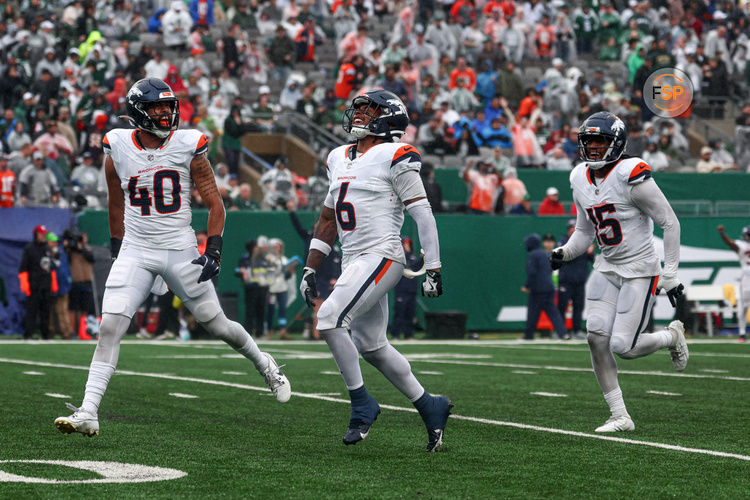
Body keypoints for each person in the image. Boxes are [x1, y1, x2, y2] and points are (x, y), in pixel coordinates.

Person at [54, 78, 291, 437]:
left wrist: (213, 247)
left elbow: (215, 202)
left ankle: (266, 364)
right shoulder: (117, 145)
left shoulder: (187, 145)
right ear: (137, 112)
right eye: (157, 107)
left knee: (216, 324)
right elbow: (115, 199)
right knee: (110, 327)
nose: (166, 113)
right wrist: (118, 242)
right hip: (137, 247)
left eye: (168, 106)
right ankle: (89, 410)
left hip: (180, 248)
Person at [299, 90, 452, 452]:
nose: (359, 117)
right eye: (359, 110)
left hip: (383, 253)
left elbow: (421, 213)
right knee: (372, 345)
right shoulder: (337, 156)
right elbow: (327, 218)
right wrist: (310, 267)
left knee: (330, 318)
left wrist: (434, 267)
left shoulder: (395, 153)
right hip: (354, 258)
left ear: (388, 119)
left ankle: (361, 404)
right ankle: (430, 405)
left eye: (368, 112)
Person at [550, 111, 688, 433]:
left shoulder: (632, 173)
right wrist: (564, 252)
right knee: (596, 336)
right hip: (607, 265)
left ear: (616, 142)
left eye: (600, 141)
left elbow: (670, 222)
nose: (594, 147)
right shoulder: (579, 177)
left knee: (623, 347)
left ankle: (672, 335)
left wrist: (670, 274)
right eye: (589, 141)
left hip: (640, 268)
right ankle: (620, 415)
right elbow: (585, 231)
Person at [522, 233, 569, 340]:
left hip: (538, 289)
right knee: (553, 313)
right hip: (549, 287)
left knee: (533, 313)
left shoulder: (534, 255)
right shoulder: (544, 254)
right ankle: (563, 333)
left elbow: (532, 272)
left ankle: (529, 335)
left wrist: (527, 285)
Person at [18, 225, 58, 339]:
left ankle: (45, 334)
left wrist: (53, 285)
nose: (43, 236)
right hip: (33, 285)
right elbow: (23, 268)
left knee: (45, 312)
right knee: (31, 312)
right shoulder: (29, 248)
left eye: (44, 234)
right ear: (36, 234)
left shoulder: (47, 248)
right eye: (41, 234)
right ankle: (28, 334)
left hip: (46, 285)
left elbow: (52, 268)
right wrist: (25, 285)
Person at [556, 219, 594, 339]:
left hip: (579, 281)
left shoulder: (584, 241)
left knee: (578, 307)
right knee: (562, 306)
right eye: (571, 228)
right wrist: (584, 250)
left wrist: (589, 252)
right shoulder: (562, 241)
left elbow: (591, 258)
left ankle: (577, 330)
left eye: (575, 228)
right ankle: (560, 331)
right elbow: (565, 256)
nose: (573, 230)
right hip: (566, 281)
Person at [717, 225, 750, 342]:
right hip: (746, 279)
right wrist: (723, 235)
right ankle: (742, 333)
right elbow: (731, 244)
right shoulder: (742, 245)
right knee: (744, 307)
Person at [391, 238, 422, 340]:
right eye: (405, 244)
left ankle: (409, 335)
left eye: (408, 243)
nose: (407, 245)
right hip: (401, 290)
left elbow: (417, 267)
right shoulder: (399, 257)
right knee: (399, 313)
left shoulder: (412, 257)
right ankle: (395, 334)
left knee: (410, 313)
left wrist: (422, 259)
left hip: (412, 290)